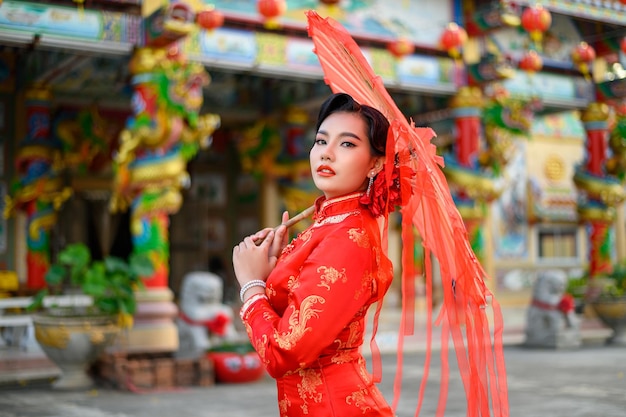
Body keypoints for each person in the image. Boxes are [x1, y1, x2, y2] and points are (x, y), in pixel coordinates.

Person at [232, 92, 397, 417]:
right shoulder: (330, 224)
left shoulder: (349, 237)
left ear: (376, 162)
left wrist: (250, 285)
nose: (328, 154)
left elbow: (285, 353)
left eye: (347, 144)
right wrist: (273, 271)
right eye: (321, 141)